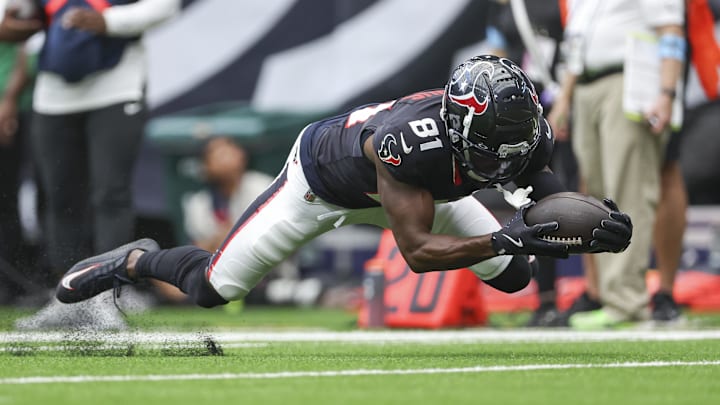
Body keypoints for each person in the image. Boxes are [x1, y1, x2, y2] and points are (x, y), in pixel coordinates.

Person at [52, 55, 633, 315]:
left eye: (517, 147)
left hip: (423, 190)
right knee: (212, 288)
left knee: (516, 278)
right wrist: (508, 236)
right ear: (462, 130)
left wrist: (593, 227)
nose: (509, 160)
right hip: (325, 182)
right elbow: (418, 253)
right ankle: (134, 261)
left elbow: (546, 204)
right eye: (494, 151)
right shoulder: (407, 140)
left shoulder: (522, 129)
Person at [1, 0, 181, 330]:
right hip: (53, 92)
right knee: (59, 198)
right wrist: (12, 22)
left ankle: (105, 298)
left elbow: (166, 6)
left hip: (117, 86)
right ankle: (67, 298)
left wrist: (107, 21)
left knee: (110, 193)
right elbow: (14, 13)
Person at [548, 0, 685, 329]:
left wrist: (666, 92)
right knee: (595, 195)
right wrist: (565, 98)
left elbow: (671, 30)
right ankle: (610, 297)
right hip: (586, 87)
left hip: (628, 82)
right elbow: (577, 45)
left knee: (630, 190)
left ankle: (627, 300)